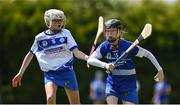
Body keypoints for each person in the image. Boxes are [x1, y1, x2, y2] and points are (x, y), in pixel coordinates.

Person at [12, 9, 88, 104]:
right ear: (48, 22)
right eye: (55, 21)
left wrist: (86, 57)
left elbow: (76, 52)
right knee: (50, 98)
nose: (59, 23)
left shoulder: (66, 33)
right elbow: (30, 54)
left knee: (75, 103)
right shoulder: (40, 38)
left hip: (67, 72)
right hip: (50, 74)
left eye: (60, 20)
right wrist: (20, 73)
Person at [87, 19, 165, 104]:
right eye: (107, 31)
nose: (109, 34)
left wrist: (160, 69)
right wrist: (105, 65)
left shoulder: (128, 46)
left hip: (129, 86)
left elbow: (148, 54)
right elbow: (91, 59)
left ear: (119, 32)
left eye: (112, 31)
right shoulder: (104, 46)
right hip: (112, 85)